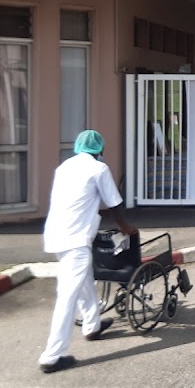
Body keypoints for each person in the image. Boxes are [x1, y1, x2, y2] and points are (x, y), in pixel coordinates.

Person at [38, 129, 137, 374]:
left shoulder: (64, 167)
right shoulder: (98, 169)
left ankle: (92, 325)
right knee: (68, 295)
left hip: (57, 235)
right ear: (100, 149)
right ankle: (51, 356)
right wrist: (126, 228)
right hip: (75, 239)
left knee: (85, 281)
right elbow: (114, 203)